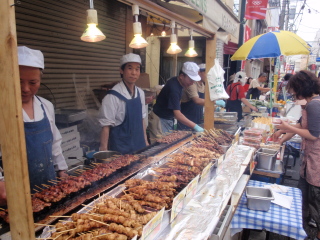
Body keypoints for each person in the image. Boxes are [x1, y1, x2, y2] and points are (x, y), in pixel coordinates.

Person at [0, 46, 68, 204]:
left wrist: (62, 170)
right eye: (18, 82)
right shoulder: (3, 108)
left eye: (33, 82)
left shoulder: (46, 106)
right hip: (13, 193)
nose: (25, 89)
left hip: (49, 187)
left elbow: (54, 142)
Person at [276, 70, 320, 240]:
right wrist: (281, 134)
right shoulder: (309, 104)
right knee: (305, 199)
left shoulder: (314, 104)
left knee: (315, 202)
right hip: (309, 162)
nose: (294, 95)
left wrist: (287, 127)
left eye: (294, 90)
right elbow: (302, 125)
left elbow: (313, 134)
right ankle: (305, 230)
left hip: (316, 162)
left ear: (302, 87)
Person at [98, 53, 148, 154]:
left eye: (137, 69)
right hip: (121, 150)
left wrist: (146, 142)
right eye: (130, 68)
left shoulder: (140, 93)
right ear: (121, 70)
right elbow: (106, 126)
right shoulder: (112, 96)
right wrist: (103, 150)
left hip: (139, 146)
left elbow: (142, 120)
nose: (134, 73)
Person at [152, 62, 204, 134]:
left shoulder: (177, 81)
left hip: (167, 118)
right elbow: (178, 114)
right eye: (191, 80)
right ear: (182, 76)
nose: (192, 83)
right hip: (160, 119)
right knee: (161, 144)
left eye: (194, 81)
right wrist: (195, 126)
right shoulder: (174, 89)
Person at [177, 63, 206, 130]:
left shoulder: (202, 85)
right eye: (206, 73)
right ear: (200, 72)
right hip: (187, 120)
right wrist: (213, 102)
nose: (208, 76)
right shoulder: (191, 85)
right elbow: (197, 100)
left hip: (197, 119)